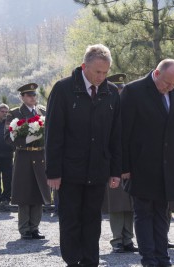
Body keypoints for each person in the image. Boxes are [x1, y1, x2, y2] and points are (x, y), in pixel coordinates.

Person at [45, 44, 122, 267]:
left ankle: (90, 262)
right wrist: (53, 171)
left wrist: (115, 170)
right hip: (69, 171)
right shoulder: (63, 89)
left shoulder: (111, 93)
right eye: (97, 71)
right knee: (70, 220)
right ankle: (73, 261)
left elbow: (115, 135)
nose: (101, 77)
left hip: (98, 169)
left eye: (105, 72)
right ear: (83, 66)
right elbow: (53, 133)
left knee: (92, 220)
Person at [120, 59, 174, 267]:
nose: (170, 88)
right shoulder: (134, 91)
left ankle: (163, 257)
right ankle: (149, 260)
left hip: (169, 166)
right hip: (141, 165)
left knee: (162, 212)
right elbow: (123, 132)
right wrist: (124, 167)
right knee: (144, 213)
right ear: (157, 74)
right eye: (167, 83)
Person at [5, 83, 51, 239]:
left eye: (34, 95)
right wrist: (29, 139)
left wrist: (43, 139)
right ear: (22, 97)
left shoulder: (43, 111)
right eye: (29, 95)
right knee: (24, 193)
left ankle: (35, 227)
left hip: (40, 157)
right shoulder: (15, 113)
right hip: (24, 157)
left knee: (38, 192)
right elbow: (8, 138)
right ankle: (25, 228)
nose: (33, 97)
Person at [102, 73, 138, 254]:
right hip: (114, 165)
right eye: (118, 89)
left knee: (130, 205)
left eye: (122, 89)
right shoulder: (107, 110)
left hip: (130, 165)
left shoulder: (130, 111)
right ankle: (117, 239)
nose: (120, 92)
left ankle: (128, 238)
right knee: (116, 204)